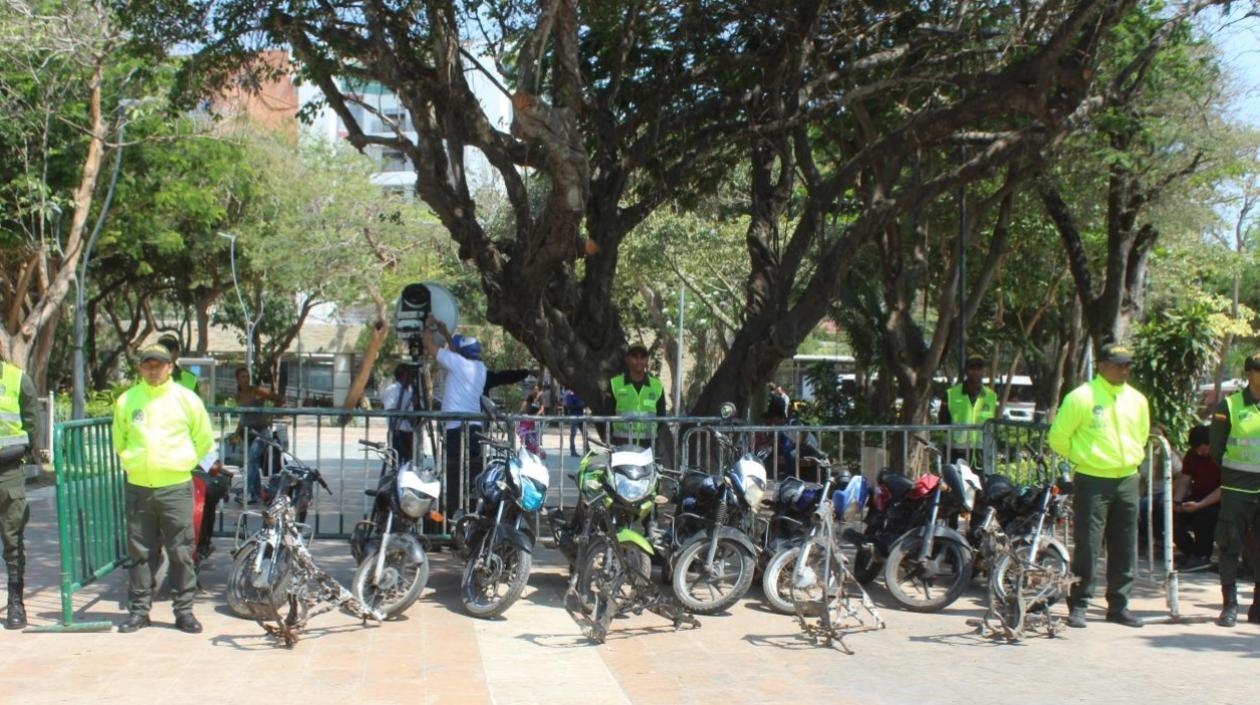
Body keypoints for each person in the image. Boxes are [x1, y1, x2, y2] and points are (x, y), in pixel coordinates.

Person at [112, 345, 213, 634]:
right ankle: (139, 611)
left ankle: (184, 613)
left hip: (175, 487)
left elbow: (203, 439)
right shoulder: (127, 401)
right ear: (140, 368)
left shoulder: (186, 400)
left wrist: (182, 463)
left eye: (159, 365)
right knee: (141, 553)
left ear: (170, 367)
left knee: (180, 552)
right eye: (148, 365)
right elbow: (120, 440)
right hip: (139, 487)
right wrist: (134, 463)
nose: (153, 370)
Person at [1048, 342, 1149, 629]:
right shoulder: (1081, 397)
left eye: (1128, 364)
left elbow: (1141, 436)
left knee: (1125, 544)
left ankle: (1119, 605)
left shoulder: (1137, 400)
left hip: (1127, 478)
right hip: (1093, 478)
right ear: (1102, 365)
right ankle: (1079, 604)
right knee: (1088, 545)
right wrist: (1084, 459)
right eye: (1118, 364)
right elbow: (1059, 437)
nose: (1124, 369)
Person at [1201, 353, 1260, 627]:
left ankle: (1257, 606)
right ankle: (1230, 605)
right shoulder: (1230, 405)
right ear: (1249, 373)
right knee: (1229, 544)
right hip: (1237, 486)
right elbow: (1216, 450)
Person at [0, 347, 47, 630]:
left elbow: (32, 422)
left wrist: (31, 453)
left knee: (12, 538)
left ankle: (16, 603)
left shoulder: (18, 380)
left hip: (7, 471)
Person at [423, 315, 487, 517]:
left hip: (456, 429)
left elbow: (429, 346)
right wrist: (446, 334)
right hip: (475, 427)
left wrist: (427, 326)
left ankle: (452, 516)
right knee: (472, 472)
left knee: (453, 471)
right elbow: (458, 353)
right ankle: (471, 515)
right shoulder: (480, 368)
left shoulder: (457, 363)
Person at [233, 366, 284, 504]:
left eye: (247, 376)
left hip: (261, 431)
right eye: (242, 377)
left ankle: (248, 492)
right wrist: (236, 433)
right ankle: (256, 493)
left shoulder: (256, 390)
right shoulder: (238, 395)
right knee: (252, 462)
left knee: (251, 458)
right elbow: (242, 418)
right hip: (247, 432)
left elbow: (278, 399)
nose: (246, 379)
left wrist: (270, 414)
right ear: (237, 379)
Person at [1172, 425, 1220, 571]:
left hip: (1217, 500)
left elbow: (1225, 488)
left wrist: (1200, 505)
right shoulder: (1192, 455)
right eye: (1196, 449)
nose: (1199, 452)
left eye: (1202, 448)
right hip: (1197, 496)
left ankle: (1202, 555)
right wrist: (1176, 503)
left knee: (1204, 516)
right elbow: (1185, 480)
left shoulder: (1222, 455)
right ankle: (1191, 552)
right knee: (1172, 517)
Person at [939, 354, 999, 465]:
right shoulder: (951, 394)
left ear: (984, 371)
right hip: (955, 453)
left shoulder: (992, 396)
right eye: (972, 368)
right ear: (966, 370)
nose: (975, 372)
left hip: (982, 453)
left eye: (979, 368)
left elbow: (994, 425)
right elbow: (943, 422)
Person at [605, 343, 666, 447]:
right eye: (635, 357)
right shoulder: (615, 384)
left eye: (642, 357)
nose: (639, 361)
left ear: (647, 360)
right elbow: (607, 414)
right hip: (622, 443)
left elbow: (661, 416)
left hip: (649, 444)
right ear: (627, 359)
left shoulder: (657, 385)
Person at [382, 364, 416, 464]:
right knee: (397, 462)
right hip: (398, 431)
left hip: (409, 432)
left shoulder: (410, 391)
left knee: (409, 462)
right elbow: (391, 411)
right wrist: (407, 416)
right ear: (402, 375)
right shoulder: (392, 390)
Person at [563, 388, 588, 456]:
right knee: (573, 434)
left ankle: (587, 449)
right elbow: (569, 406)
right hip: (574, 417)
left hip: (581, 416)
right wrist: (580, 406)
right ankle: (573, 451)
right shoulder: (569, 395)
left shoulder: (580, 394)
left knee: (585, 433)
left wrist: (584, 405)